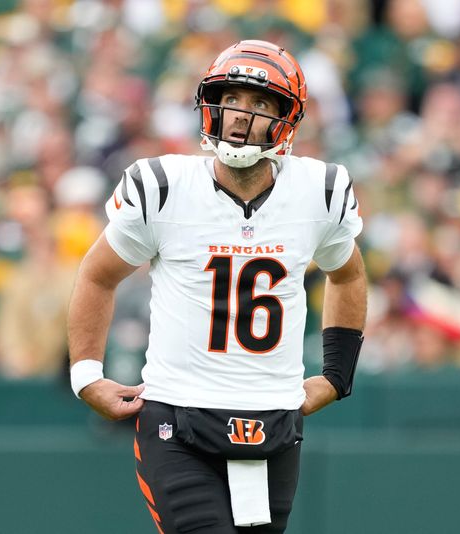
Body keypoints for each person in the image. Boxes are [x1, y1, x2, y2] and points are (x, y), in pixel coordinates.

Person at [67, 40, 367, 534]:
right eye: (231, 98)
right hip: (178, 421)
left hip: (274, 425)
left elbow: (348, 273)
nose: (240, 115)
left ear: (286, 119)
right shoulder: (163, 187)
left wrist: (337, 375)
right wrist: (85, 374)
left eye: (260, 103)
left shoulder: (319, 191)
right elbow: (98, 275)